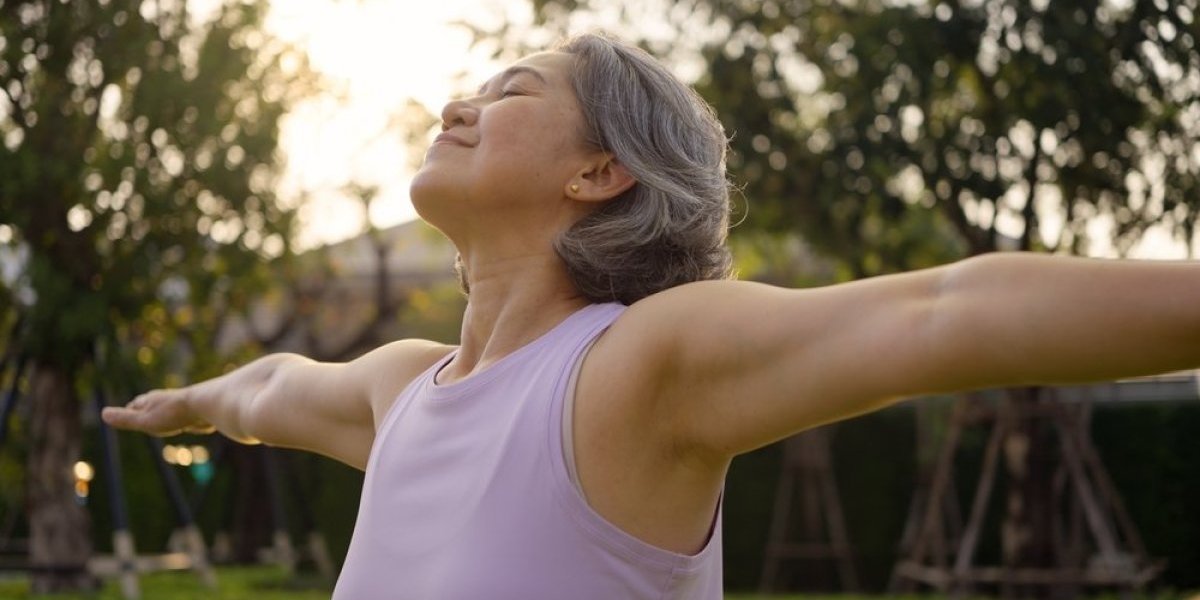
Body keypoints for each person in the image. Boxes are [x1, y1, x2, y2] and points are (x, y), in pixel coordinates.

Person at [101, 33, 1200, 599]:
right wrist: (186, 401)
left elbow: (944, 309)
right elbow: (272, 388)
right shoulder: (403, 391)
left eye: (512, 91)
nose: (457, 106)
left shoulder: (633, 369)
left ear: (599, 172)